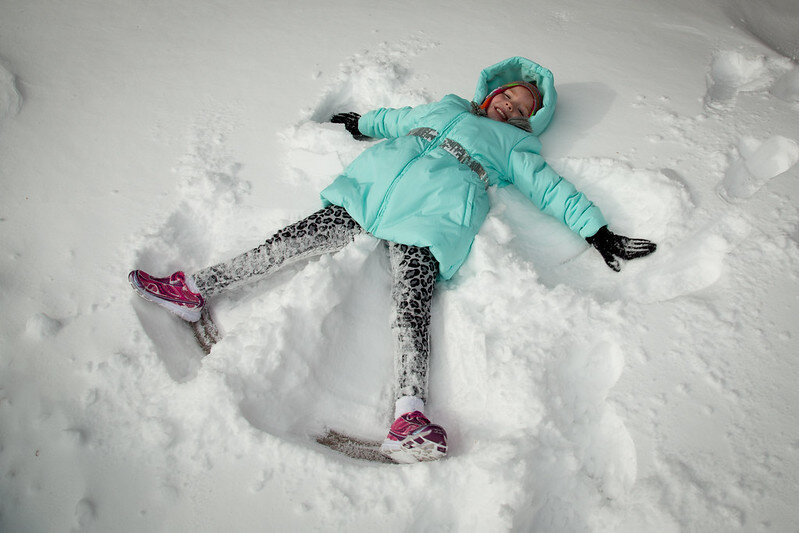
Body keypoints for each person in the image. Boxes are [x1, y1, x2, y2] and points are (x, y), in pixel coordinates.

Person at [128, 57, 656, 464]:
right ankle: (194, 288)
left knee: (412, 308)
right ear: (491, 93)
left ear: (528, 123)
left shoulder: (514, 149)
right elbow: (395, 119)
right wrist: (365, 121)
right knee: (290, 240)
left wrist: (597, 230)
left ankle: (410, 416)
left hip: (432, 222)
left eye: (523, 112)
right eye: (509, 100)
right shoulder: (443, 108)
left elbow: (552, 190)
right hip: (369, 193)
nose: (511, 111)